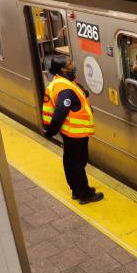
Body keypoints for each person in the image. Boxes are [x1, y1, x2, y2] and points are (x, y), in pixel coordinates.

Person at [42, 56, 104, 204]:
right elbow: (59, 114)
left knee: (70, 161)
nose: (73, 64)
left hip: (70, 132)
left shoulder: (61, 82)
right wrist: (50, 132)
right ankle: (85, 195)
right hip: (75, 133)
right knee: (78, 163)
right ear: (63, 69)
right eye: (69, 63)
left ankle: (77, 190)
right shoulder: (65, 89)